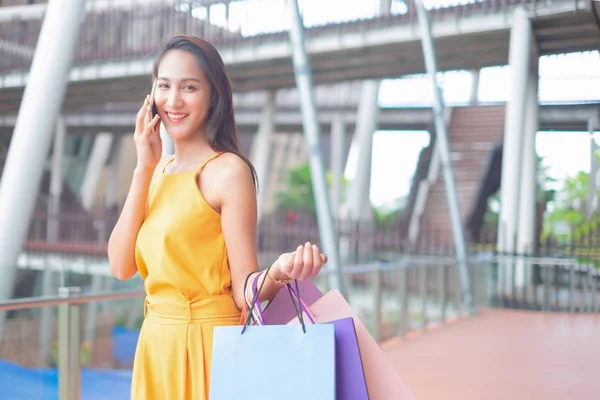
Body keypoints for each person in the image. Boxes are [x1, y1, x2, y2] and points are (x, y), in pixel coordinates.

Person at [107, 35, 328, 400]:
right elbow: (119, 265)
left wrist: (279, 271)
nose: (173, 100)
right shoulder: (156, 171)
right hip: (155, 348)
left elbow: (245, 293)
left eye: (189, 87)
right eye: (164, 86)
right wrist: (143, 166)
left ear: (214, 96)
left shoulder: (229, 172)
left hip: (209, 348)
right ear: (151, 97)